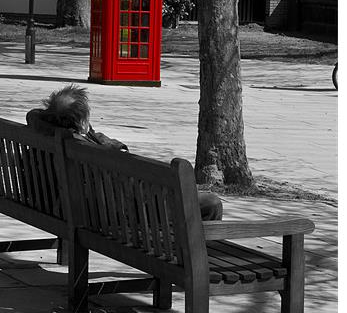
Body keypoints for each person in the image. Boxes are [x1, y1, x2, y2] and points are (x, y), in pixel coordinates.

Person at [27, 83, 223, 221]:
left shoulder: (50, 133)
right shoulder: (89, 151)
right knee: (211, 203)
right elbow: (126, 189)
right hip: (117, 211)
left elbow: (34, 114)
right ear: (81, 122)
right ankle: (204, 266)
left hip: (69, 207)